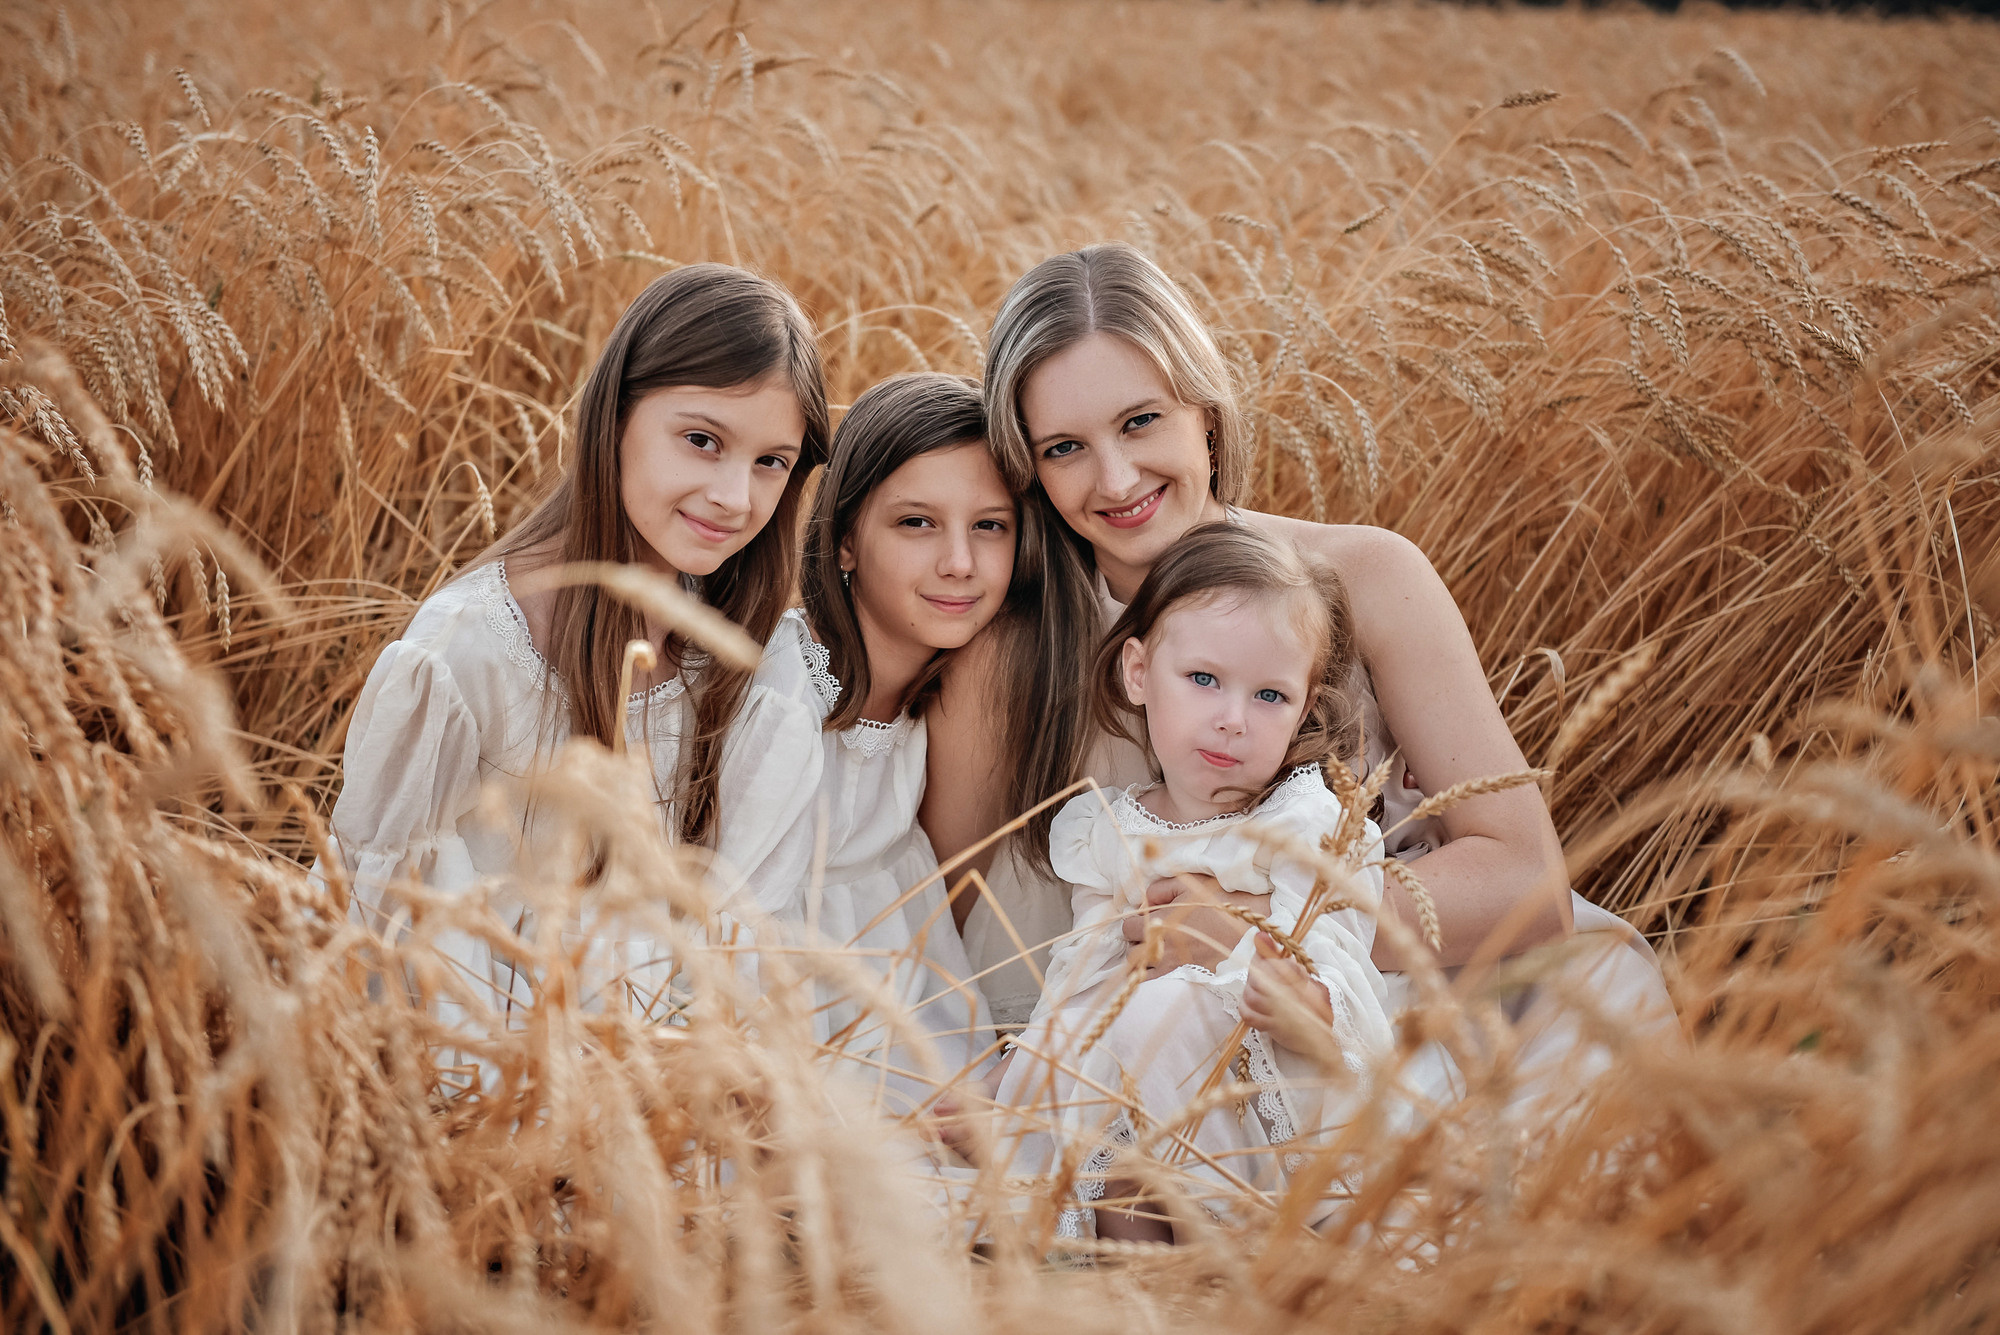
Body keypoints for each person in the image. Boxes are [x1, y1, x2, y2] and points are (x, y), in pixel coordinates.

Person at [927, 242, 1672, 1104]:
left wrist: (1257, 928)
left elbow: (1527, 881)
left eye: (1140, 422)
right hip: (1166, 1032)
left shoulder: (1368, 576)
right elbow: (938, 918)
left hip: (1422, 989)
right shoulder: (1013, 652)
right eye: (1065, 447)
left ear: (1203, 413)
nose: (1117, 477)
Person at [326, 264, 827, 1080]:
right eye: (702, 440)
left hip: (659, 1089)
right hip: (480, 1088)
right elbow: (367, 918)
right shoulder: (470, 651)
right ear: (615, 417)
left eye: (773, 461)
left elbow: (733, 929)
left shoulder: (729, 654)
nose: (735, 495)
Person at [994, 523, 1394, 1239]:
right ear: (1139, 673)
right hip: (1138, 1084)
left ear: (1305, 708)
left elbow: (1337, 949)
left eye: (1270, 695)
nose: (1232, 719)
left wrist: (1302, 993)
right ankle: (1137, 1291)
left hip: (1263, 1090)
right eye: (1204, 679)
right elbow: (1082, 967)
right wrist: (1024, 1075)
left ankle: (1234, 1252)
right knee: (1088, 1075)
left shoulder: (1303, 821)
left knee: (1158, 1015)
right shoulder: (1109, 828)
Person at [710, 373, 1023, 1117]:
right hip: (794, 1051)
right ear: (846, 541)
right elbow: (727, 929)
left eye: (991, 525)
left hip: (908, 1017)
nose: (959, 562)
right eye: (917, 523)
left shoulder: (934, 693)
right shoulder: (791, 702)